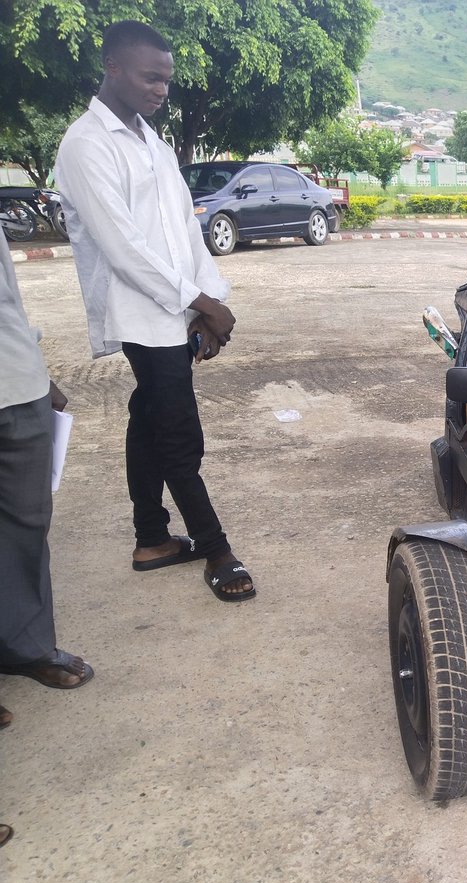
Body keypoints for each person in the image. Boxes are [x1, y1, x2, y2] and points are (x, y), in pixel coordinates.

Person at [55, 20, 255, 601]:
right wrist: (198, 302)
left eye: (166, 80)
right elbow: (122, 249)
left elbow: (185, 232)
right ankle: (215, 548)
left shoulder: (154, 142)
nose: (160, 90)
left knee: (149, 415)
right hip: (138, 312)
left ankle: (151, 538)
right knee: (176, 433)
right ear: (113, 67)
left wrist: (207, 302)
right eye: (150, 77)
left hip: (176, 311)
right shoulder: (86, 145)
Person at [0, 232, 95, 725]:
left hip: (15, 382)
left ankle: (24, 647)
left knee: (26, 525)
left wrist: (37, 369)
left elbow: (6, 297)